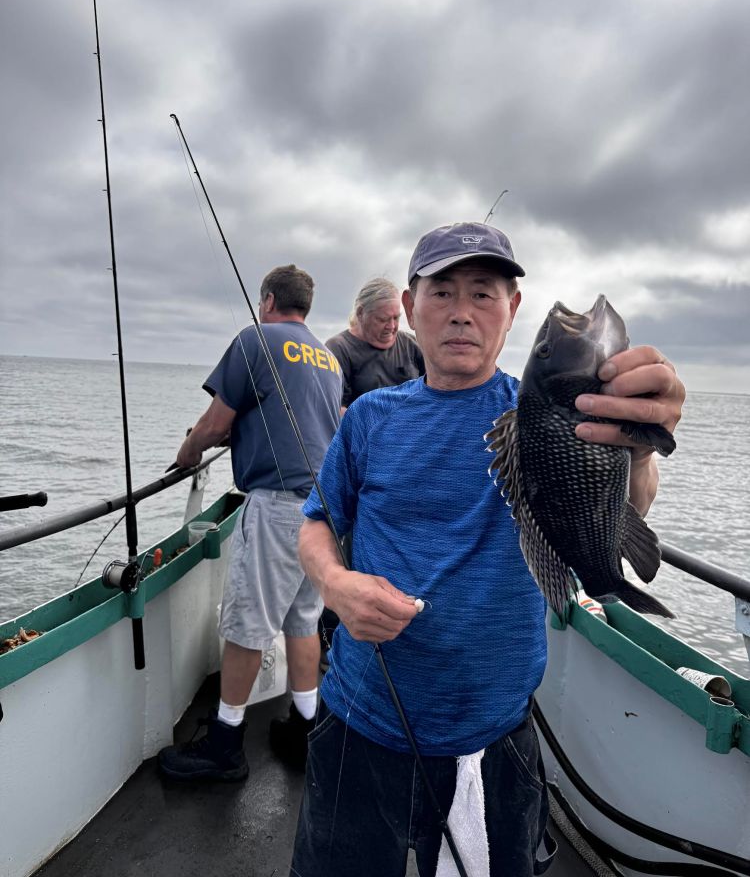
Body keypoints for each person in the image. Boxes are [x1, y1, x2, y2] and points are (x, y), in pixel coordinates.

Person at [291, 222, 686, 876]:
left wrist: (639, 445)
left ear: (513, 311)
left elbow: (629, 501)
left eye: (483, 293)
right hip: (360, 721)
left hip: (495, 739)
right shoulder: (368, 418)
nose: (462, 313)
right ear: (411, 308)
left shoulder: (547, 412)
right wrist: (337, 586)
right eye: (442, 292)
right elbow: (314, 527)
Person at [158, 264, 342, 781]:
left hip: (278, 504)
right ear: (305, 305)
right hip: (322, 506)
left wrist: (187, 452)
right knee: (304, 619)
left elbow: (217, 423)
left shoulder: (254, 340)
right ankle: (306, 728)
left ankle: (224, 745)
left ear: (267, 300)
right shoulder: (327, 358)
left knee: (247, 623)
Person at [326, 277, 424, 410]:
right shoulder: (338, 349)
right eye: (383, 319)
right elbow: (335, 409)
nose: (391, 326)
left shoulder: (411, 344)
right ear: (361, 313)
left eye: (396, 318)